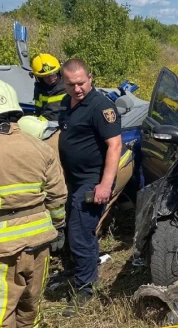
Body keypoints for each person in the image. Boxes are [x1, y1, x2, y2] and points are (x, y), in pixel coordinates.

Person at [57, 59, 133, 316]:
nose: (77, 88)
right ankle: (81, 269)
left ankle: (86, 288)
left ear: (90, 78)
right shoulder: (66, 103)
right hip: (73, 179)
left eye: (81, 83)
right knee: (75, 227)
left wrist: (105, 184)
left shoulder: (101, 106)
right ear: (64, 82)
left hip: (93, 180)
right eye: (71, 84)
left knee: (80, 231)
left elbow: (114, 145)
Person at [0, 79, 67, 327]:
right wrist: (58, 225)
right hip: (40, 242)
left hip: (4, 248)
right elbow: (58, 195)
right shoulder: (40, 148)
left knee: (3, 312)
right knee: (30, 307)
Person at [18, 54, 67, 156]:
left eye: (53, 74)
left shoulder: (65, 86)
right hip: (44, 125)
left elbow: (52, 115)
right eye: (45, 77)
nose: (50, 78)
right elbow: (39, 109)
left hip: (59, 129)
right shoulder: (40, 87)